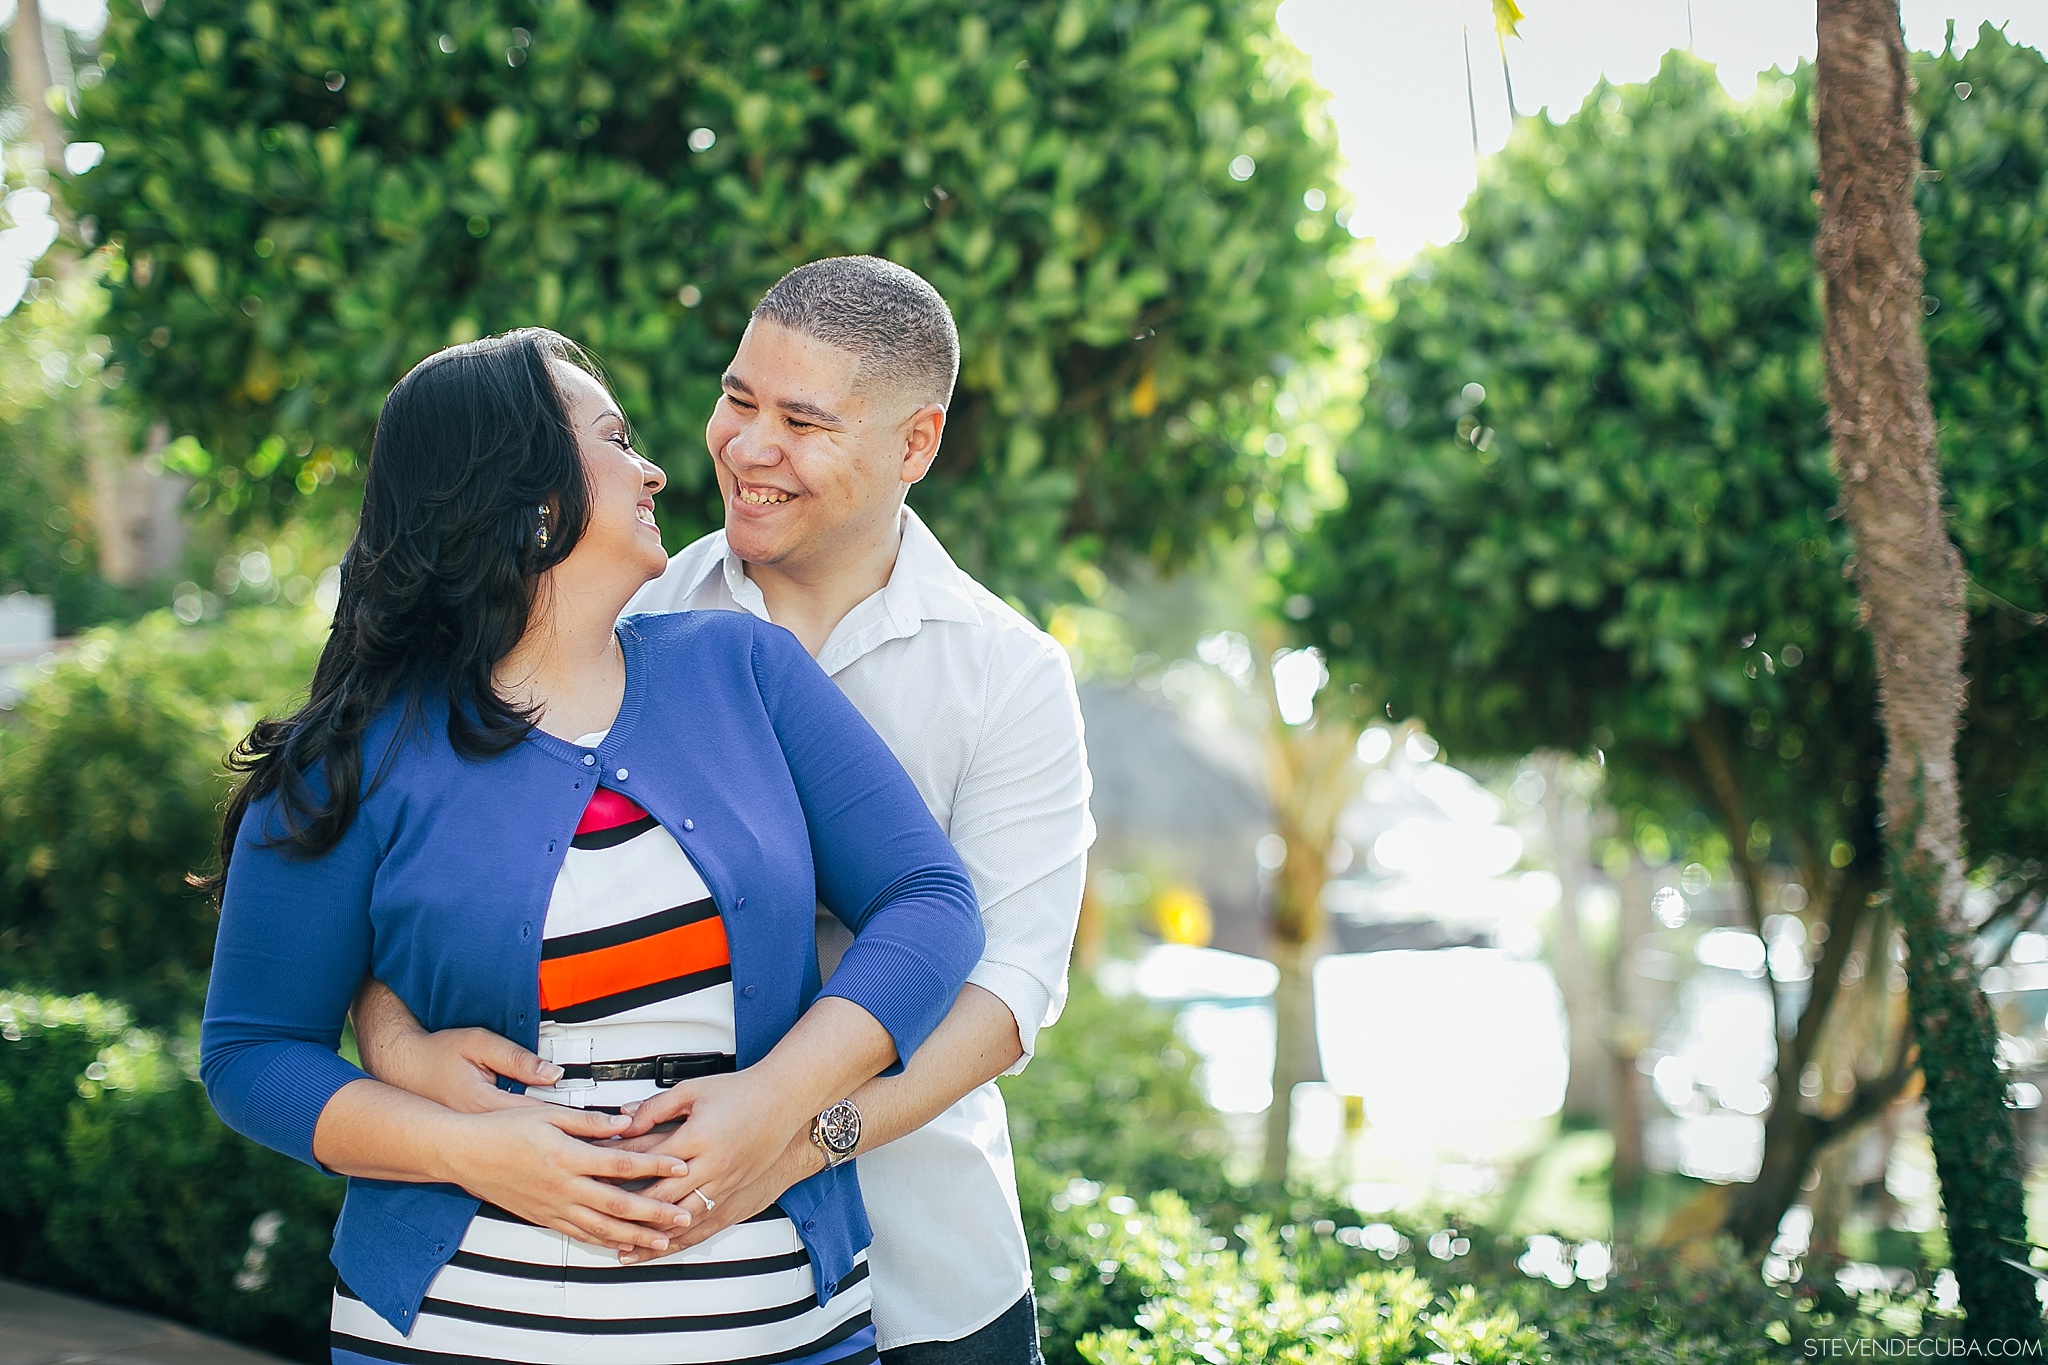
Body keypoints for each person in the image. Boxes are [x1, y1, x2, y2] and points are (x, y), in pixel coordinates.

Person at [353, 257, 1094, 1364]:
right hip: (639, 1294)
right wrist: (397, 1042)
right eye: (737, 399)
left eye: (801, 421)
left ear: (915, 445)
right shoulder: (612, 599)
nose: (747, 448)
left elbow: (1007, 994)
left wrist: (795, 1140)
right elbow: (395, 866)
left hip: (930, 1271)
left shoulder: (1006, 673)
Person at [199, 327, 985, 1365]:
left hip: (786, 1334)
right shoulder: (348, 761)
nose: (655, 465)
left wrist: (777, 1097)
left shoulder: (743, 670)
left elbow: (930, 902)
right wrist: (467, 1151)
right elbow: (251, 1055)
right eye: (614, 439)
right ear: (527, 500)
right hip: (451, 1339)